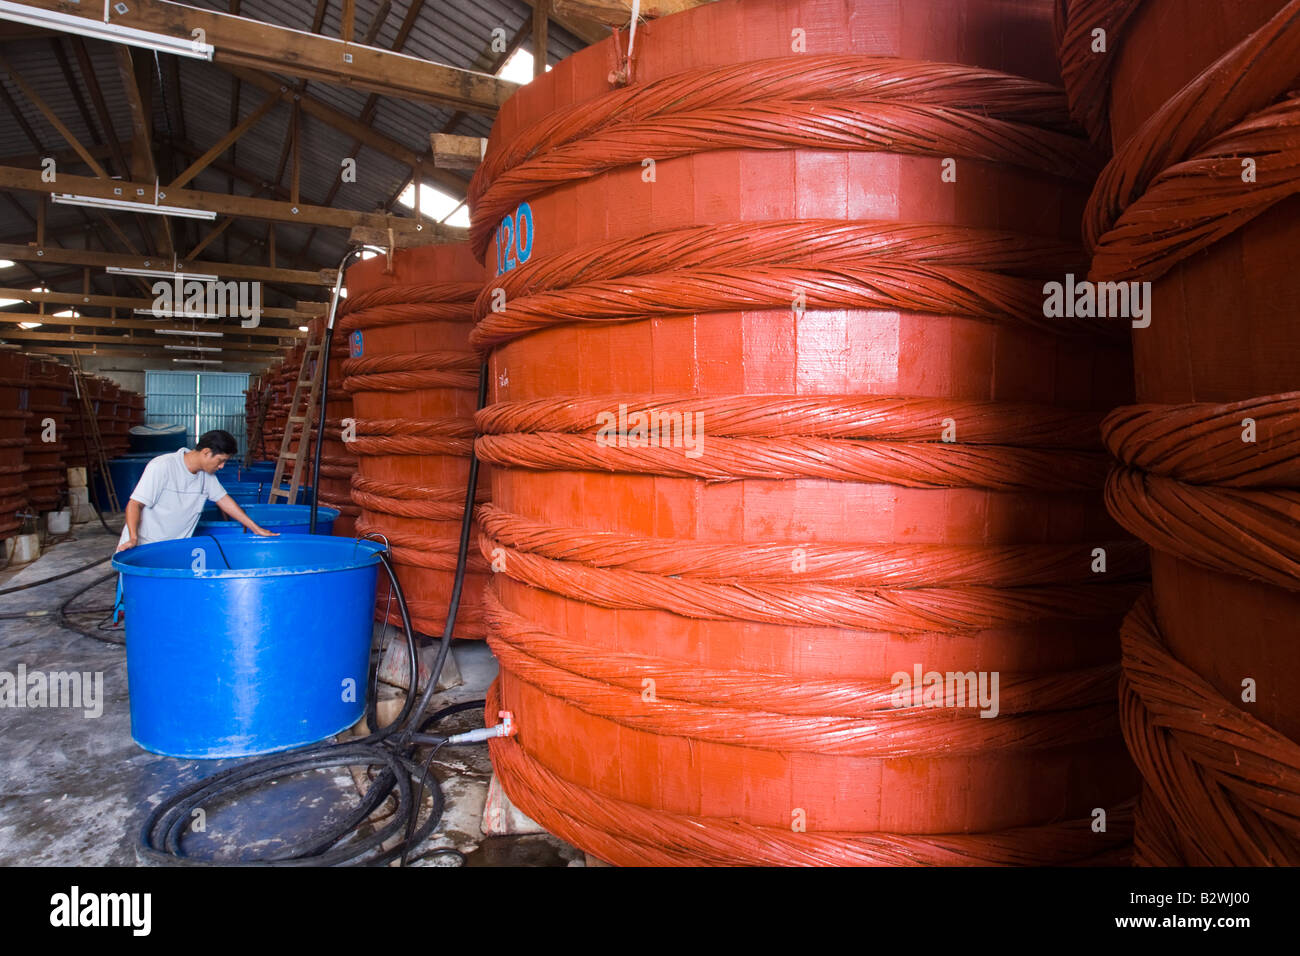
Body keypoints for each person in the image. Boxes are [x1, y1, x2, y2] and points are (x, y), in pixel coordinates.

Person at [115, 429, 277, 552]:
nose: (222, 467)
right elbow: (135, 504)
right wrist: (133, 538)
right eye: (221, 461)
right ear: (206, 452)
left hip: (174, 550)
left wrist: (255, 528)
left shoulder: (207, 477)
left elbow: (224, 501)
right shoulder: (162, 467)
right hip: (144, 547)